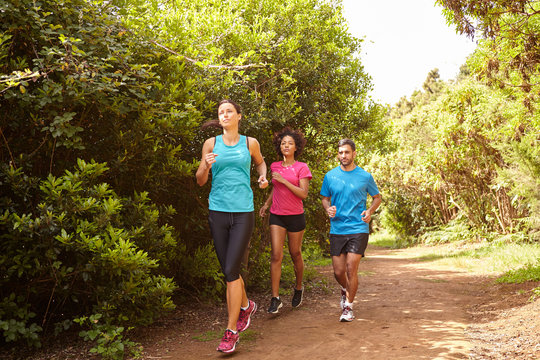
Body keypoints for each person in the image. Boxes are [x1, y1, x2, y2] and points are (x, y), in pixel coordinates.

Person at [195, 99, 268, 353]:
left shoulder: (250, 143)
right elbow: (200, 180)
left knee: (230, 270)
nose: (224, 115)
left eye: (229, 111)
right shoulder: (210, 144)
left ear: (239, 115)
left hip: (243, 213)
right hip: (218, 211)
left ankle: (231, 330)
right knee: (230, 271)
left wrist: (262, 175)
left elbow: (260, 162)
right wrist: (205, 164)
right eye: (220, 112)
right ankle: (246, 305)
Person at [320, 138, 381, 322]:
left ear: (354, 154)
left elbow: (377, 197)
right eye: (340, 152)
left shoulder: (365, 176)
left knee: (350, 268)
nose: (343, 156)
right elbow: (325, 197)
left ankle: (348, 307)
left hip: (358, 228)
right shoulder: (330, 176)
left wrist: (369, 211)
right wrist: (327, 208)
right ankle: (346, 289)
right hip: (337, 228)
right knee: (338, 272)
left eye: (347, 152)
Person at [259, 127, 312, 313]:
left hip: (296, 216)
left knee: (295, 253)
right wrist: (266, 204)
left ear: (296, 147)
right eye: (283, 143)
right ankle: (275, 298)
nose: (286, 145)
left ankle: (298, 288)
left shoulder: (302, 167)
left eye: (290, 143)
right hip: (277, 215)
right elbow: (276, 188)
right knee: (275, 255)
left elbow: (303, 194)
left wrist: (284, 181)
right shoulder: (274, 166)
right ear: (279, 147)